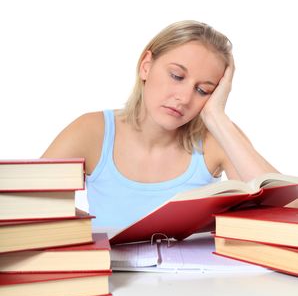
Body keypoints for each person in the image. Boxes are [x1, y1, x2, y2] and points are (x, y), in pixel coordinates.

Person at [42, 20, 278, 228]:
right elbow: (26, 209)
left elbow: (285, 211)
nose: (184, 98)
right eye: (176, 76)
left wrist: (217, 117)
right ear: (146, 65)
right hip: (110, 277)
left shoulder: (213, 139)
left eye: (203, 90)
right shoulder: (92, 131)